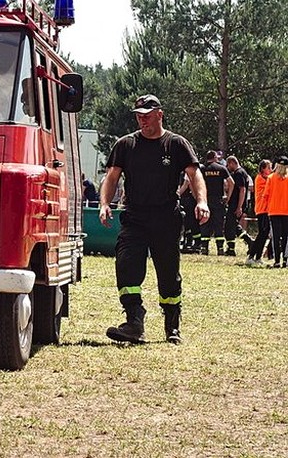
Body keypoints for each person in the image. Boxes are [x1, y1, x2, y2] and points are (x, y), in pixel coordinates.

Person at [99, 94, 207, 345]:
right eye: (139, 116)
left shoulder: (176, 144)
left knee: (168, 274)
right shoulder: (126, 144)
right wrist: (104, 204)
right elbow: (111, 177)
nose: (142, 120)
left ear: (160, 114)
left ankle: (172, 325)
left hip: (166, 218)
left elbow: (194, 175)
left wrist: (201, 201)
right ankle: (134, 321)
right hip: (134, 217)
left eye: (147, 115)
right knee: (126, 265)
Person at [199, 150, 232, 256]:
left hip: (205, 200)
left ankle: (204, 248)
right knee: (219, 224)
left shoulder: (202, 169)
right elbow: (231, 182)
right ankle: (220, 248)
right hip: (218, 200)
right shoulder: (221, 168)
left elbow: (194, 182)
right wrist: (228, 197)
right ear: (214, 157)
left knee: (205, 223)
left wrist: (198, 198)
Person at [223, 156, 250, 257]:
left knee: (229, 227)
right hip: (236, 203)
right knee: (233, 226)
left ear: (232, 163)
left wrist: (239, 207)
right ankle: (249, 241)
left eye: (228, 165)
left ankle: (231, 249)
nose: (227, 167)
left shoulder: (239, 173)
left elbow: (242, 190)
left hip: (236, 204)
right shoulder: (242, 172)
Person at [264, 156, 288, 269]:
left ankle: (277, 261)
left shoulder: (271, 178)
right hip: (286, 211)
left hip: (274, 211)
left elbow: (266, 195)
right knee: (286, 237)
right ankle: (286, 260)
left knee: (276, 237)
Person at [248, 159, 272, 266]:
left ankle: (258, 257)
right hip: (262, 209)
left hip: (267, 210)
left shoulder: (267, 178)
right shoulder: (260, 179)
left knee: (264, 234)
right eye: (268, 168)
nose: (270, 170)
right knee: (261, 234)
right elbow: (269, 188)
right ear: (262, 169)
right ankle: (251, 256)